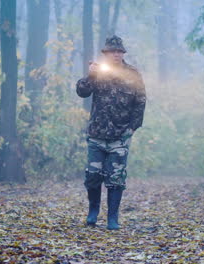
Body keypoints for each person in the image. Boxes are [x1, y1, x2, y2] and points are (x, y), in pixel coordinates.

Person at [76, 35, 146, 230]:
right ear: (105, 53)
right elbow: (82, 92)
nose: (116, 54)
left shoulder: (133, 73)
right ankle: (93, 212)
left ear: (123, 53)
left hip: (120, 136)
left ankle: (112, 218)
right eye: (112, 51)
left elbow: (140, 102)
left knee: (116, 178)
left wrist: (131, 128)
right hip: (97, 134)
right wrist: (90, 75)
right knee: (93, 176)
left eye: (119, 51)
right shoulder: (98, 71)